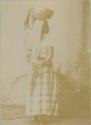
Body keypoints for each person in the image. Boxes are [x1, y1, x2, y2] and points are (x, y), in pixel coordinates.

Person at [24, 7, 60, 123]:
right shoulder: (32, 40)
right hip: (35, 67)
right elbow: (28, 54)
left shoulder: (47, 39)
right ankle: (34, 115)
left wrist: (41, 62)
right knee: (34, 90)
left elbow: (50, 55)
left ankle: (44, 116)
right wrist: (31, 60)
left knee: (43, 91)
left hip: (45, 68)